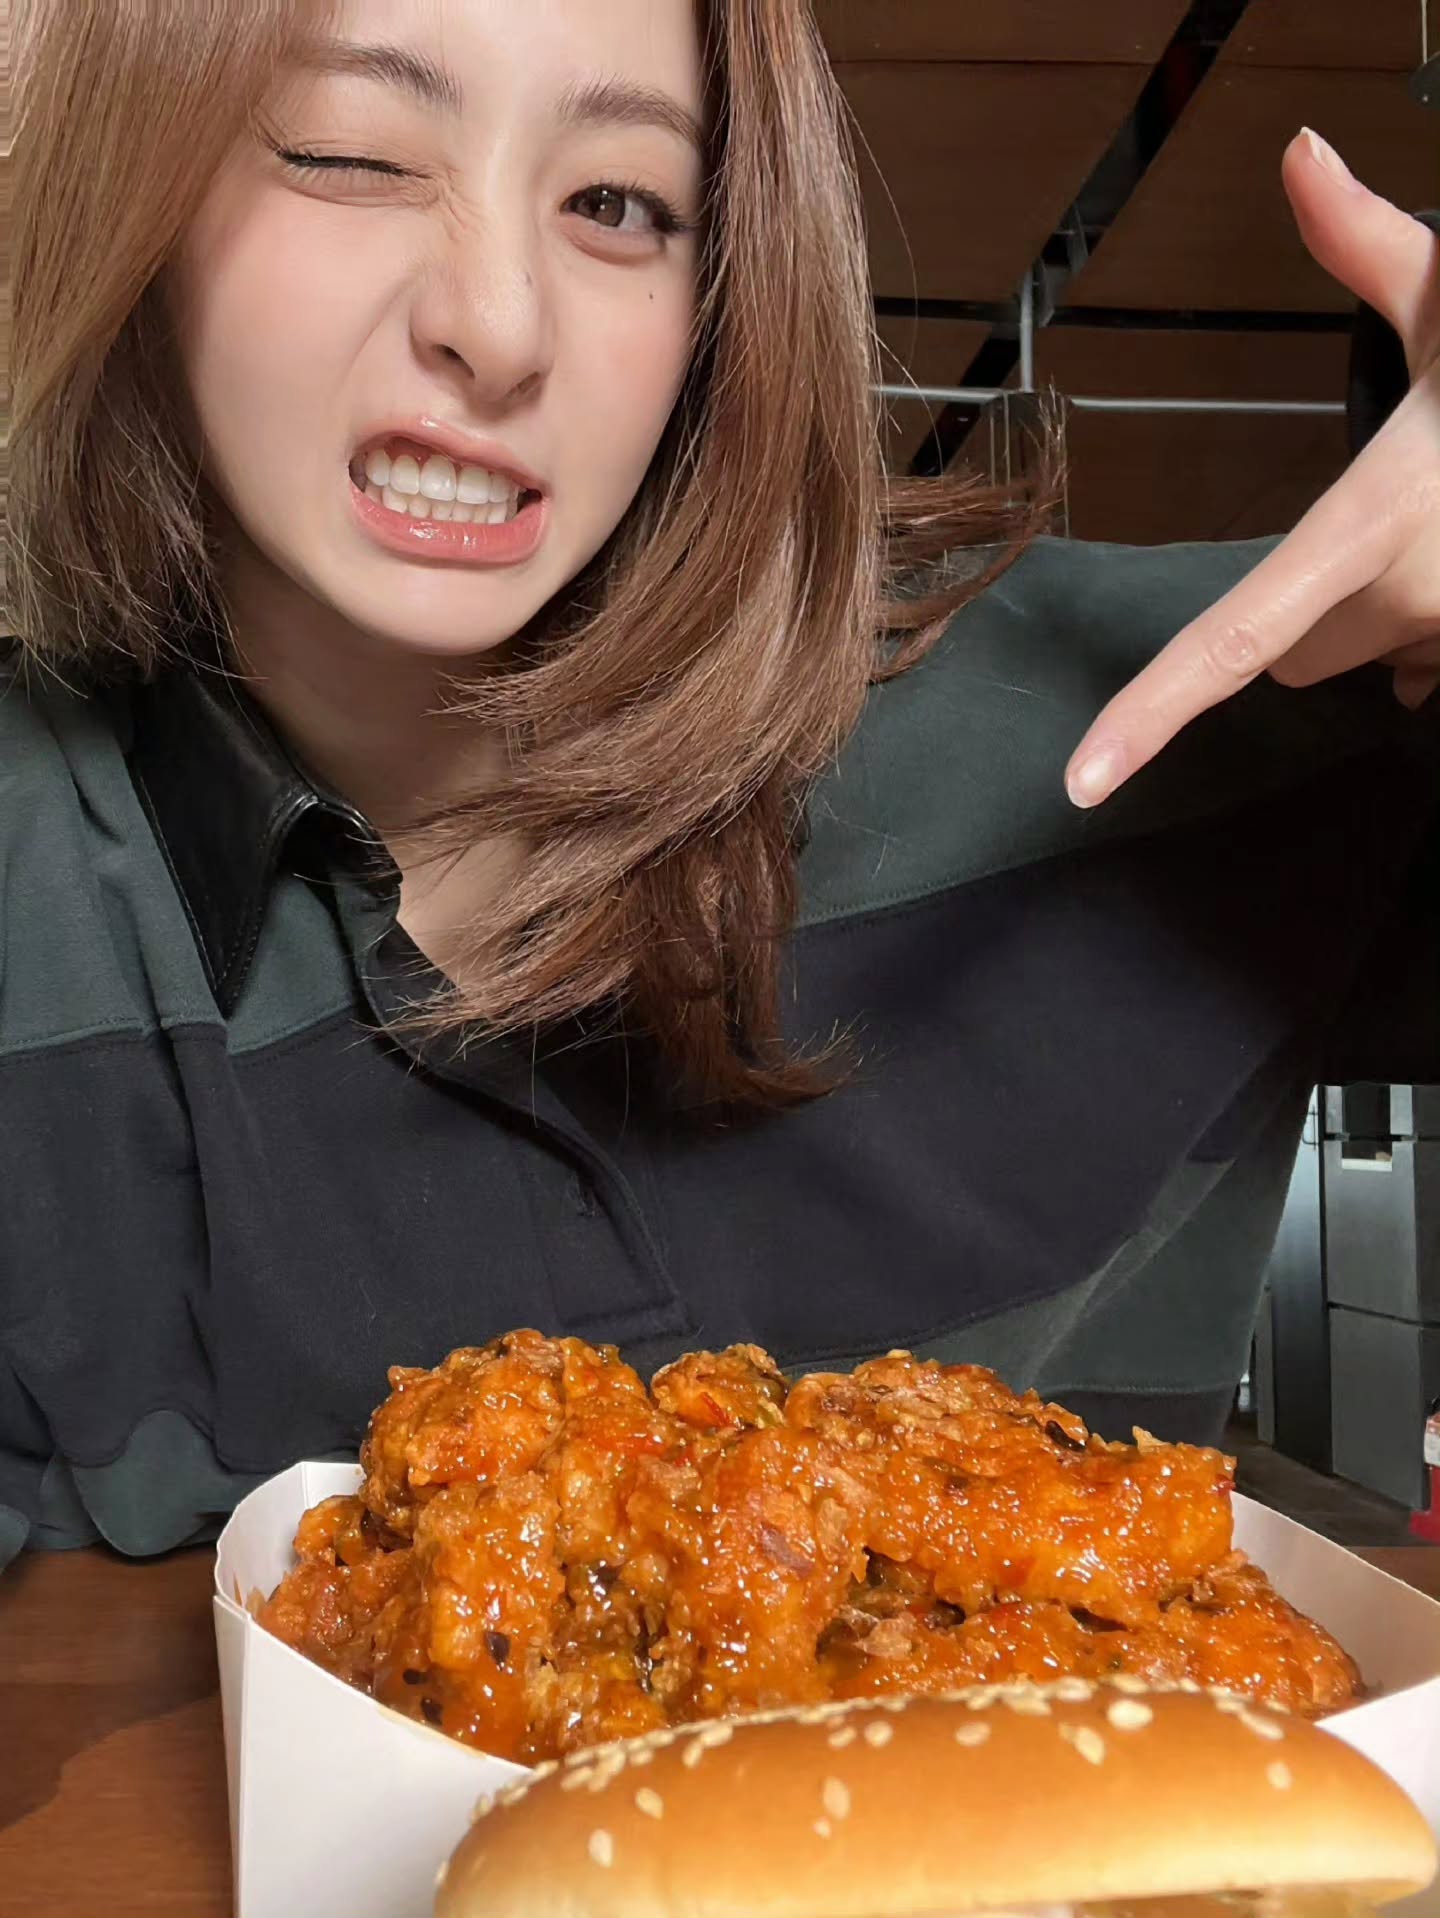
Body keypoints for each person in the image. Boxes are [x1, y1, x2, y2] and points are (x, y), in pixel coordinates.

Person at [5, 0, 1440, 1572]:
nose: (500, 321)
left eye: (618, 202)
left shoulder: (1143, 717)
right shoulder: (39, 879)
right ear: (135, 193)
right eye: (353, 155)